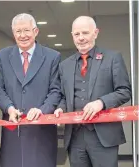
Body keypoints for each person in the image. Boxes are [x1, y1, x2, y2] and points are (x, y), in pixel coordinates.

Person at [54, 16, 131, 167]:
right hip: (75, 137)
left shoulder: (112, 58)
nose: (81, 38)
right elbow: (64, 96)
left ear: (95, 33)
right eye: (77, 34)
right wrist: (60, 108)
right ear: (72, 36)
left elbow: (125, 91)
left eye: (85, 33)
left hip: (104, 136)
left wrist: (101, 102)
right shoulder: (64, 66)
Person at [0, 13, 61, 167]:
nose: (22, 35)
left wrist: (42, 110)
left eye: (26, 30)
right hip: (12, 132)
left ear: (35, 31)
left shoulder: (52, 57)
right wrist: (9, 108)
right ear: (13, 33)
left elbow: (56, 90)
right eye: (18, 31)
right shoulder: (2, 56)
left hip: (41, 131)